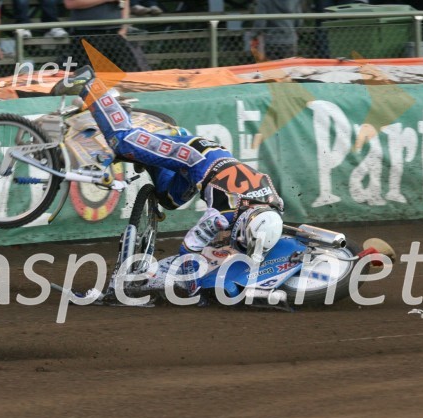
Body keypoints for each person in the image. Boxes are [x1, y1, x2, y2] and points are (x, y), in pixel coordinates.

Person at [53, 66, 285, 294]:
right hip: (192, 156)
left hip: (205, 164)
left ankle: (144, 150)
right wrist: (191, 284)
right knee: (121, 140)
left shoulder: (274, 202)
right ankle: (89, 84)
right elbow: (189, 247)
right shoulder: (223, 215)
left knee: (170, 199)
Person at [65, 0, 150, 72]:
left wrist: (124, 28)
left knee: (130, 73)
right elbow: (70, 3)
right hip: (85, 34)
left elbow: (125, 2)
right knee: (87, 77)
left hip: (114, 34)